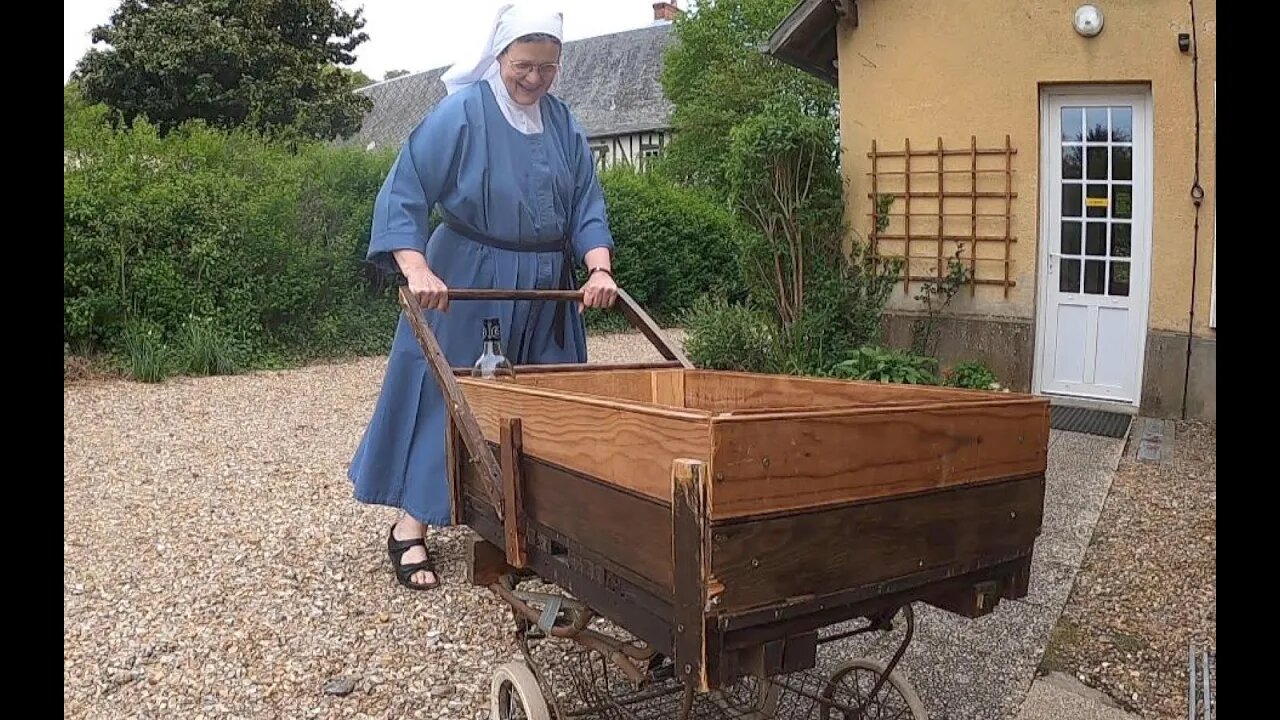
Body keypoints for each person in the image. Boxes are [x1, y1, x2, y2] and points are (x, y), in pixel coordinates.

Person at [348, 2, 619, 591]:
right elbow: (407, 189)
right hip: (468, 278)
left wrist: (597, 267)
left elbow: (587, 207)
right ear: (499, 57)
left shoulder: (564, 122)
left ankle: (527, 523)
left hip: (547, 283)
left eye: (548, 67)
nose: (535, 78)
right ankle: (409, 525)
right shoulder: (461, 113)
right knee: (449, 395)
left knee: (547, 402)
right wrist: (416, 265)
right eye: (525, 65)